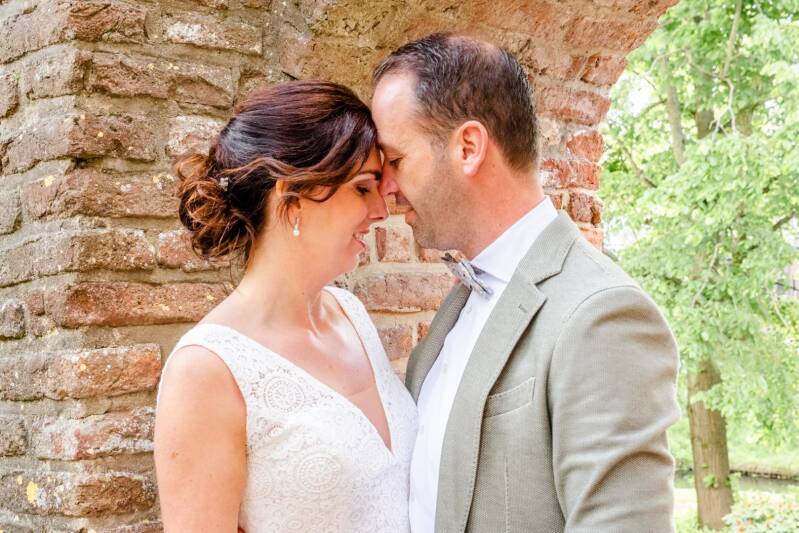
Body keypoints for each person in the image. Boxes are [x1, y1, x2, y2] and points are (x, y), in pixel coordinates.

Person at [371, 33, 681, 532]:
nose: (386, 186)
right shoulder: (459, 304)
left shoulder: (601, 315)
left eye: (396, 160)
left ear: (468, 147)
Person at [153, 80, 418, 532]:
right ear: (293, 199)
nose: (381, 210)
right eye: (362, 188)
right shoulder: (206, 371)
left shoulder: (351, 315)